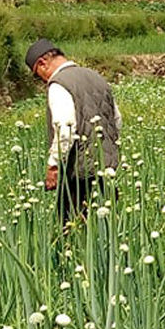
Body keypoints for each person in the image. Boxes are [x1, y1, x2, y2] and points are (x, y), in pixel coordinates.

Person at [25, 39, 122, 224]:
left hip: (79, 174)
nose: (41, 80)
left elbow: (65, 128)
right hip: (107, 169)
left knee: (73, 232)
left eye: (37, 75)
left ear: (42, 63)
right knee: (109, 228)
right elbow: (116, 119)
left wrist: (53, 165)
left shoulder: (59, 84)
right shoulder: (96, 76)